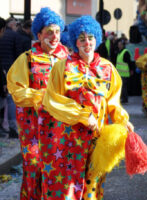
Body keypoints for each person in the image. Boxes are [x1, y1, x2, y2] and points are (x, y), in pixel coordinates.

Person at [40, 15, 133, 200]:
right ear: (75, 41)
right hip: (69, 139)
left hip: (98, 138)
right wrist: (82, 115)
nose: (87, 42)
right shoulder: (62, 67)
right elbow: (52, 99)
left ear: (97, 39)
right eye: (82, 38)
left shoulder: (107, 68)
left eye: (90, 37)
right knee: (69, 187)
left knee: (92, 188)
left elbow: (113, 101)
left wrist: (123, 120)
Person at [6, 7, 68, 200]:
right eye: (49, 31)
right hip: (34, 129)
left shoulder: (68, 59)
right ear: (39, 34)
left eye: (57, 31)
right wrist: (40, 97)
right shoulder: (27, 59)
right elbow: (16, 90)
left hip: (61, 127)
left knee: (59, 172)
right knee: (34, 168)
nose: (54, 36)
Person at [115, 38, 135, 103]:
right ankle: (123, 98)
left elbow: (129, 62)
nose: (119, 46)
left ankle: (125, 99)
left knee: (124, 87)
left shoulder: (125, 52)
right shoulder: (119, 52)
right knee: (121, 86)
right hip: (120, 73)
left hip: (125, 73)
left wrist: (131, 70)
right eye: (118, 44)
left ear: (123, 45)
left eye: (120, 44)